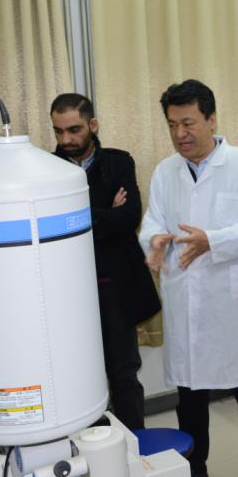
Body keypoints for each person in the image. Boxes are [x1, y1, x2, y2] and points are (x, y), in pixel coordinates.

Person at [138, 79, 238, 477]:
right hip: (186, 299)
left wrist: (212, 240)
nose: (180, 133)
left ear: (211, 119)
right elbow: (152, 220)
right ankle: (194, 468)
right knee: (191, 396)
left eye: (188, 123)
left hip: (229, 302)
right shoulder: (165, 172)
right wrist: (154, 240)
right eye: (172, 125)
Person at [51, 93, 160, 431]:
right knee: (78, 374)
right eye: (58, 131)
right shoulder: (46, 169)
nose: (66, 140)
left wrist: (78, 218)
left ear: (93, 125)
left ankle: (134, 444)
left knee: (123, 372)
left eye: (74, 130)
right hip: (66, 290)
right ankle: (92, 447)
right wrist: (104, 213)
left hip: (114, 286)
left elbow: (129, 217)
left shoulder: (118, 162)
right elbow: (49, 228)